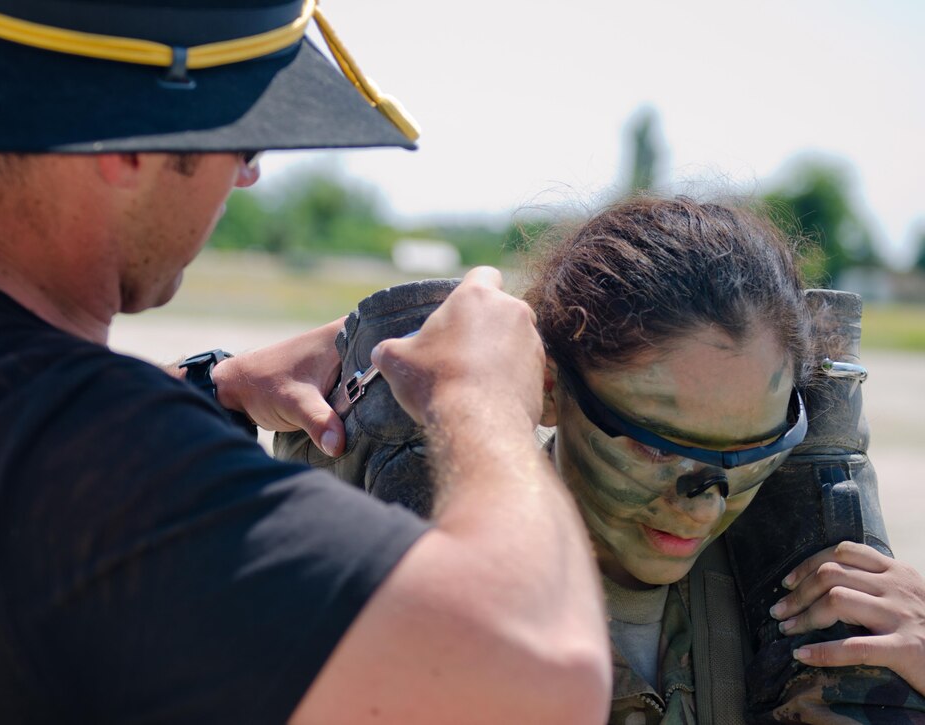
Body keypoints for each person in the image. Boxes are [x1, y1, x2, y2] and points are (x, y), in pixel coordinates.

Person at [0, 1, 611, 723]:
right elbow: (543, 673)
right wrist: (482, 400)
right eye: (245, 139)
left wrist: (207, 390)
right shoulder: (99, 463)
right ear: (134, 140)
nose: (250, 175)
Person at [278, 196, 925, 723]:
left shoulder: (817, 600)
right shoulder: (402, 574)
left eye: (753, 452)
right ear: (550, 389)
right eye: (655, 443)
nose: (704, 501)